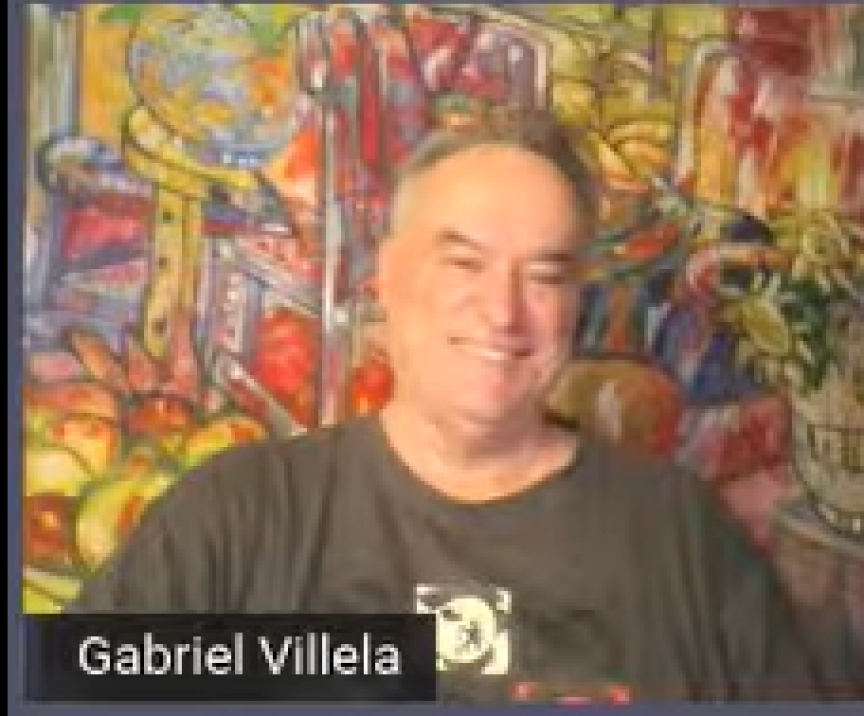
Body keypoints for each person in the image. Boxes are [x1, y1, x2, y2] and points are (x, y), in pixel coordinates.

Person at [69, 111, 861, 702]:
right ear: (385, 279)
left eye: (543, 276)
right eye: (464, 264)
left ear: (576, 304)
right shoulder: (236, 518)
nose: (502, 313)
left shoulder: (680, 538)